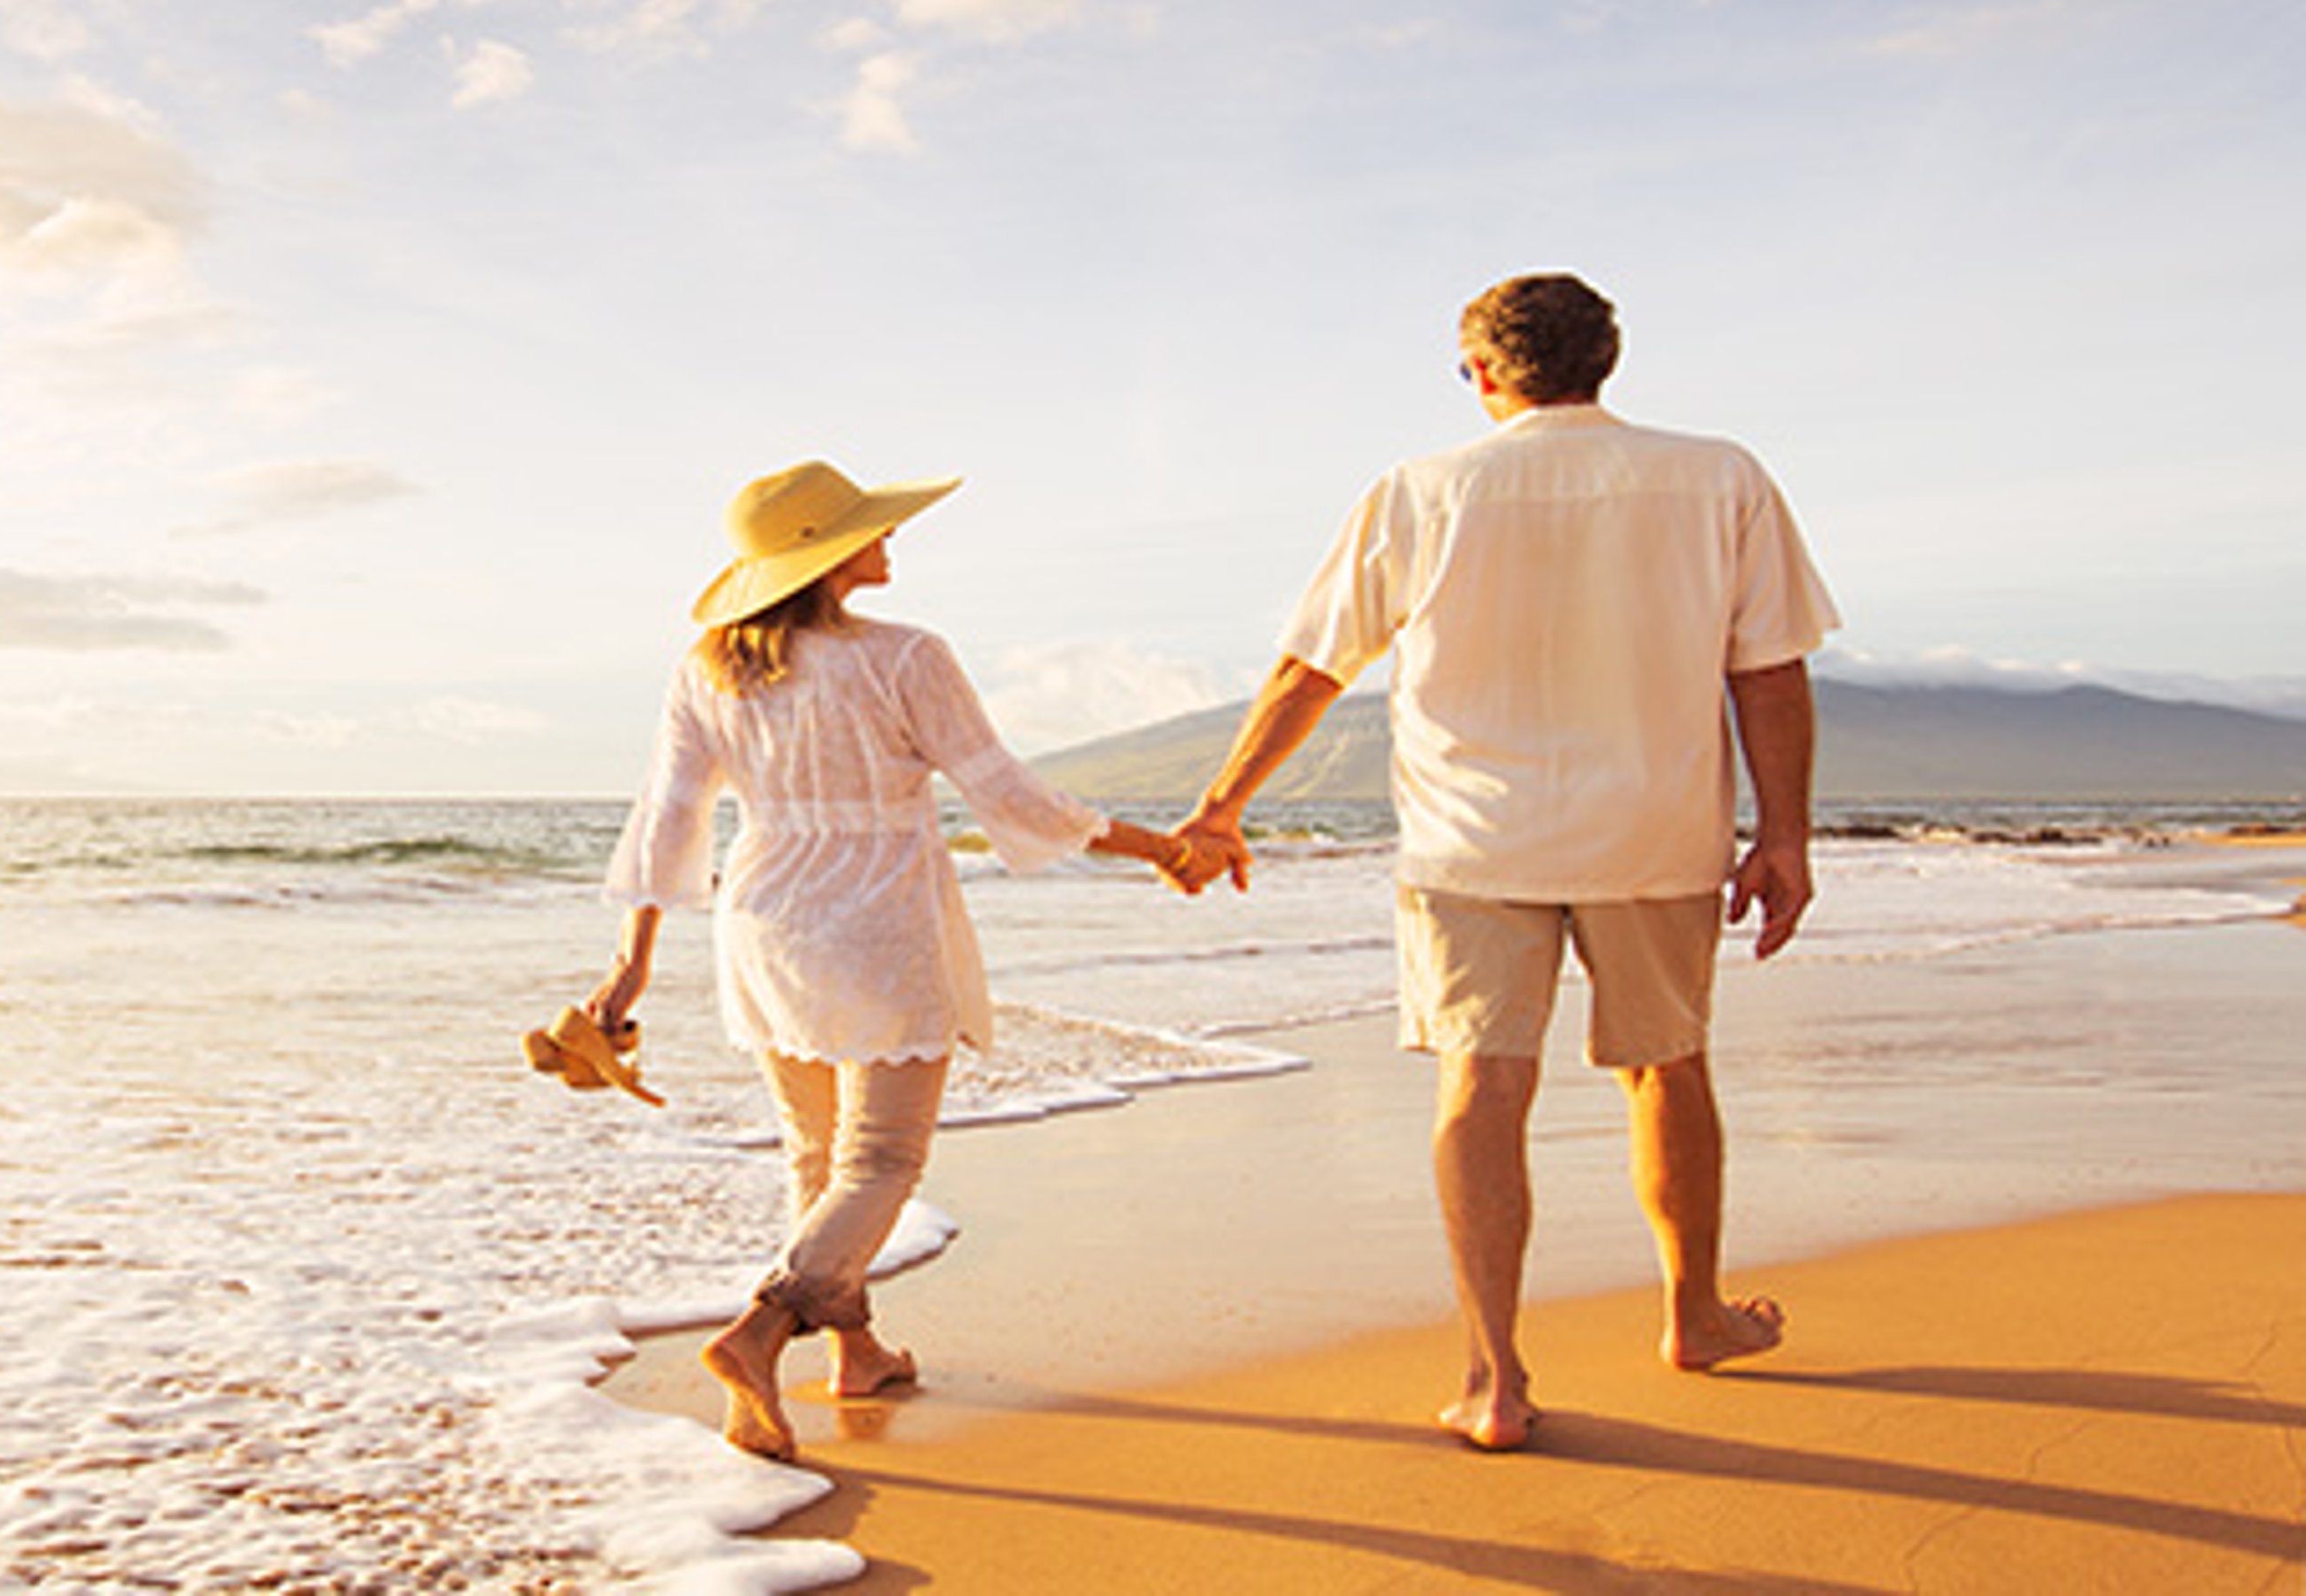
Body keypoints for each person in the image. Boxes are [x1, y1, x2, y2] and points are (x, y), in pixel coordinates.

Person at [1171, 272, 1840, 1452]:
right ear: (1609, 358)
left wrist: (1222, 808)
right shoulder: (1718, 472)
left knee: (1481, 1086)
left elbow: (1310, 670)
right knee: (1668, 1068)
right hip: (1656, 830)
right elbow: (1769, 672)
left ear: (1481, 372)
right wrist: (1783, 835)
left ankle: (1493, 1377)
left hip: (1471, 843)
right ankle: (1695, 1317)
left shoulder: (1420, 489)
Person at [589, 459, 1209, 1462]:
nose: (891, 540)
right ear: (831, 558)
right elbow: (1012, 797)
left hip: (760, 921)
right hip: (875, 921)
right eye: (872, 528)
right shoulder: (906, 656)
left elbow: (668, 822)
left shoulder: (708, 665)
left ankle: (856, 1352)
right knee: (879, 1160)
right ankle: (759, 1331)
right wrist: (1167, 848)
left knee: (815, 1152)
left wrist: (629, 970)